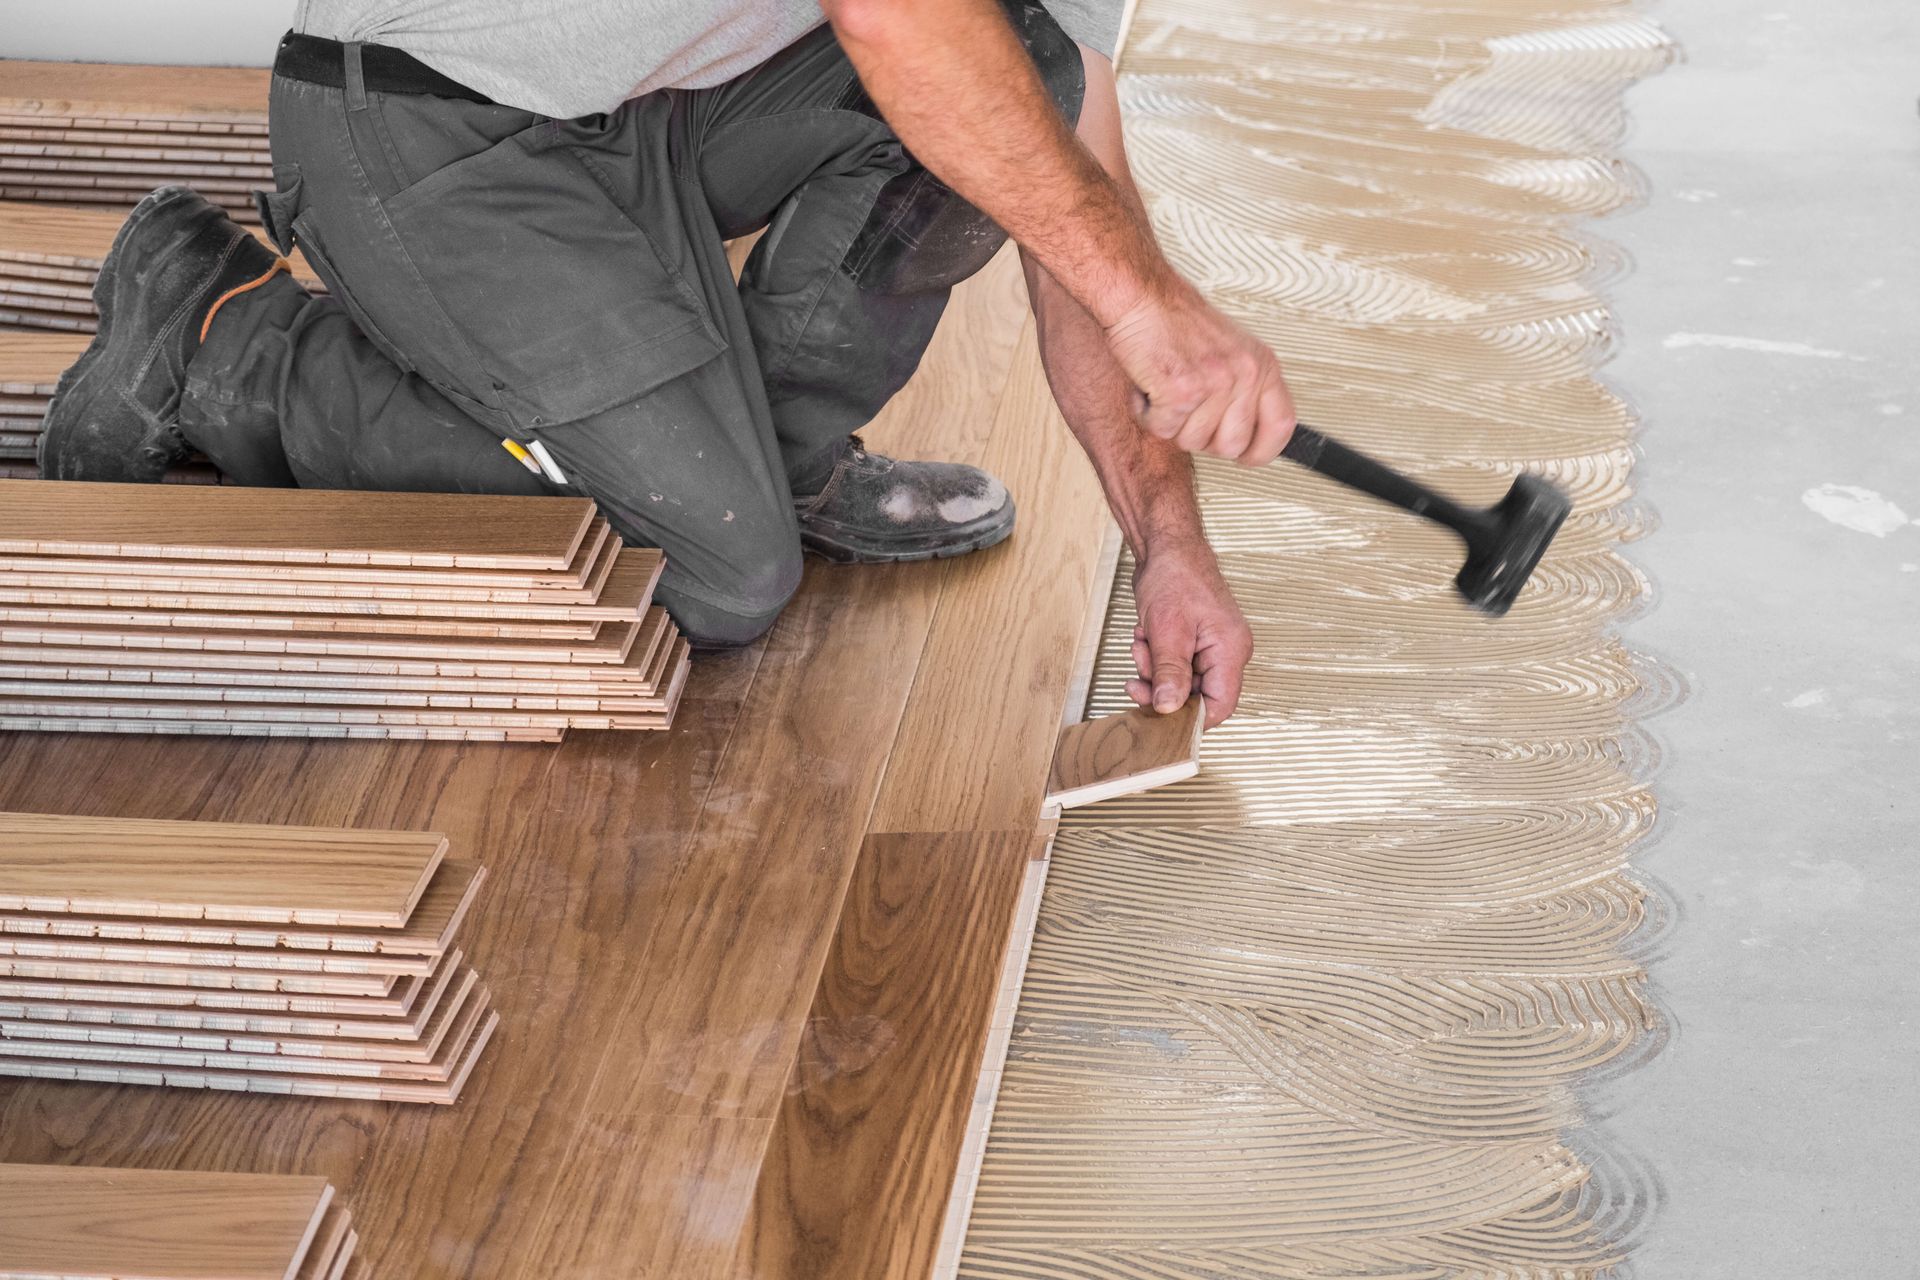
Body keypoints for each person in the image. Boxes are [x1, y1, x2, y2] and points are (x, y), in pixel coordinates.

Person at [38, 0, 1295, 726]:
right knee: (720, 573)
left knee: (1033, 65)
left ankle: (774, 457)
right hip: (418, 114)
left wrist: (1169, 543)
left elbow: (1076, 166)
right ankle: (227, 342)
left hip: (629, 115)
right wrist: (1146, 297)